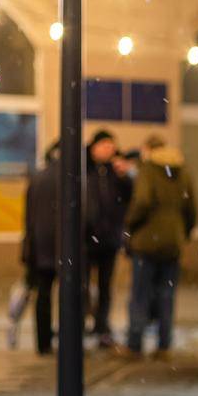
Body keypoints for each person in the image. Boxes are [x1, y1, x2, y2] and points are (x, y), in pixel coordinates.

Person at [124, 135, 197, 357]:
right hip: (172, 242)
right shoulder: (182, 169)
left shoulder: (148, 169)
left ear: (148, 149)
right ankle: (164, 345)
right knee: (167, 295)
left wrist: (130, 223)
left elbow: (143, 201)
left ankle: (135, 344)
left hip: (147, 241)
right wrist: (182, 232)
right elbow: (192, 208)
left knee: (140, 295)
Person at [85, 129, 133, 346]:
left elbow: (131, 198)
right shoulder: (85, 170)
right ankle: (82, 323)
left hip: (109, 239)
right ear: (94, 147)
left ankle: (102, 325)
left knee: (106, 286)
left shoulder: (117, 173)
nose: (108, 150)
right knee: (82, 286)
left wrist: (127, 176)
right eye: (104, 145)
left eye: (111, 146)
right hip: (86, 239)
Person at [19, 143, 63, 355]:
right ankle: (68, 339)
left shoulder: (38, 177)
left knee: (43, 295)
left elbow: (28, 216)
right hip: (65, 248)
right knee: (69, 295)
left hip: (40, 246)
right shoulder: (70, 179)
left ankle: (43, 342)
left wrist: (29, 246)